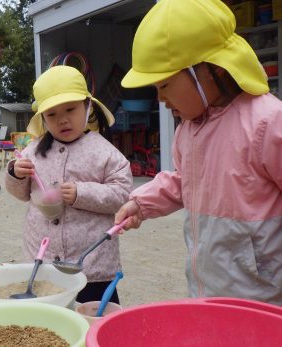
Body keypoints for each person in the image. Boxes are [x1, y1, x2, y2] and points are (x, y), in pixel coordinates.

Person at [114, 0, 282, 305]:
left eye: (164, 85)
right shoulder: (187, 131)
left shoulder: (268, 123)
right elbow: (184, 181)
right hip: (206, 291)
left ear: (213, 71)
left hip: (264, 298)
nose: (161, 99)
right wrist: (141, 203)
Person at [5, 66, 132, 303]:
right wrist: (16, 174)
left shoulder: (103, 152)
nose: (62, 119)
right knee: (50, 320)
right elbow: (22, 194)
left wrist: (80, 192)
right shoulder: (34, 150)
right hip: (43, 257)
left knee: (93, 317)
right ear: (43, 118)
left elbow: (122, 193)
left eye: (70, 109)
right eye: (51, 114)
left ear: (88, 107)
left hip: (91, 263)